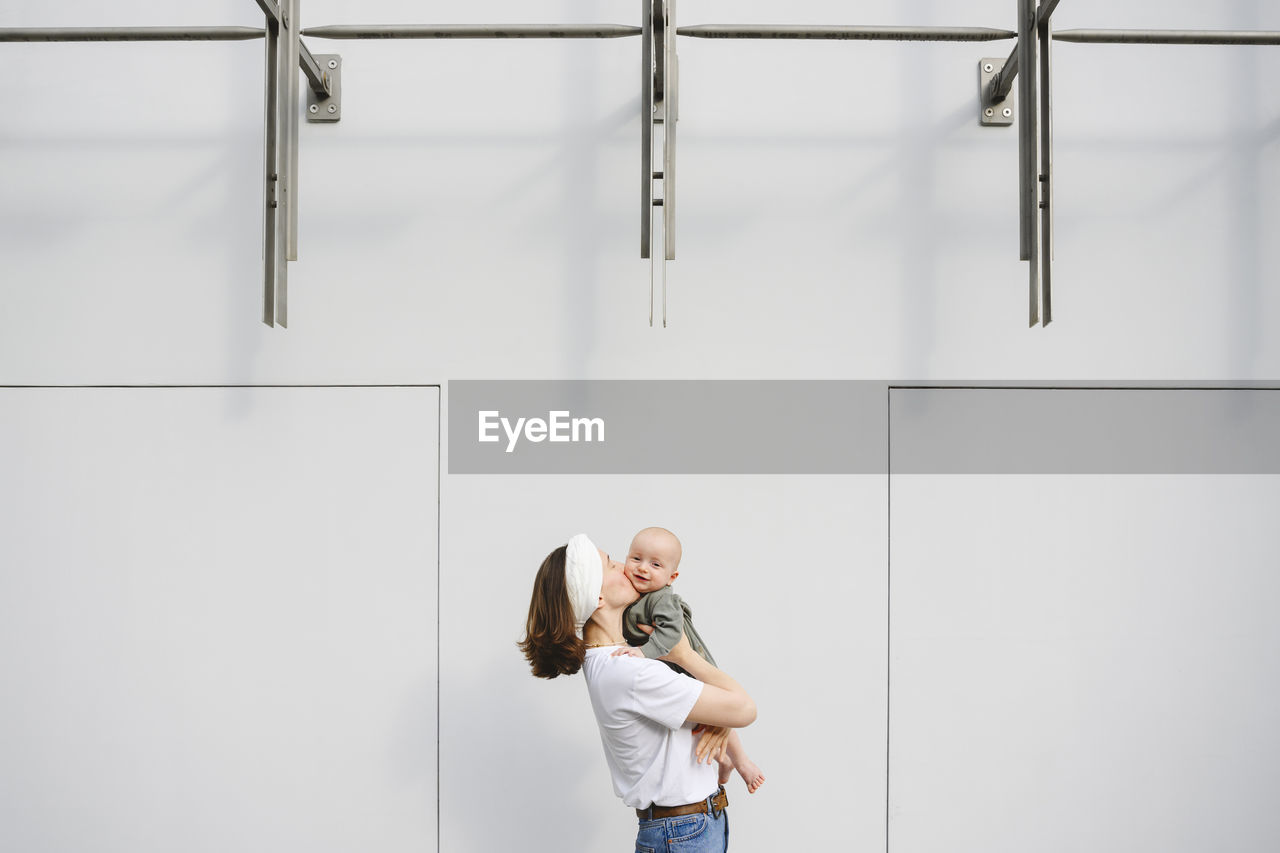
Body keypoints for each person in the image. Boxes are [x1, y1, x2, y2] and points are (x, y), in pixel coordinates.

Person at [520, 534, 757, 852]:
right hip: (683, 833)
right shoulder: (629, 671)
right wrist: (685, 656)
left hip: (688, 828)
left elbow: (728, 711)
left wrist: (720, 718)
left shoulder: (617, 658)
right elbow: (745, 708)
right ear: (598, 597)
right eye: (611, 564)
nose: (627, 567)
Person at [621, 526, 766, 794]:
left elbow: (672, 635)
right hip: (672, 664)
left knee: (722, 714)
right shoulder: (633, 593)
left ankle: (742, 762)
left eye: (655, 564)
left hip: (691, 661)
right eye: (636, 559)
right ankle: (724, 761)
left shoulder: (661, 599)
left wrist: (643, 652)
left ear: (670, 576)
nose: (643, 568)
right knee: (708, 721)